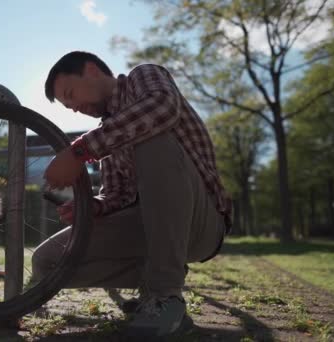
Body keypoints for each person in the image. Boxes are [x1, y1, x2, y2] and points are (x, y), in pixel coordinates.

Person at [33, 51, 232, 338]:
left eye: (71, 94)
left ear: (91, 70)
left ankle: (166, 296)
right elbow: (116, 195)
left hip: (202, 222)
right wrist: (92, 207)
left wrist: (79, 151)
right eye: (68, 106)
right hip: (149, 227)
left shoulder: (143, 76)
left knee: (150, 134)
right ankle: (155, 289)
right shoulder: (106, 132)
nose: (75, 107)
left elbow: (161, 108)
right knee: (47, 261)